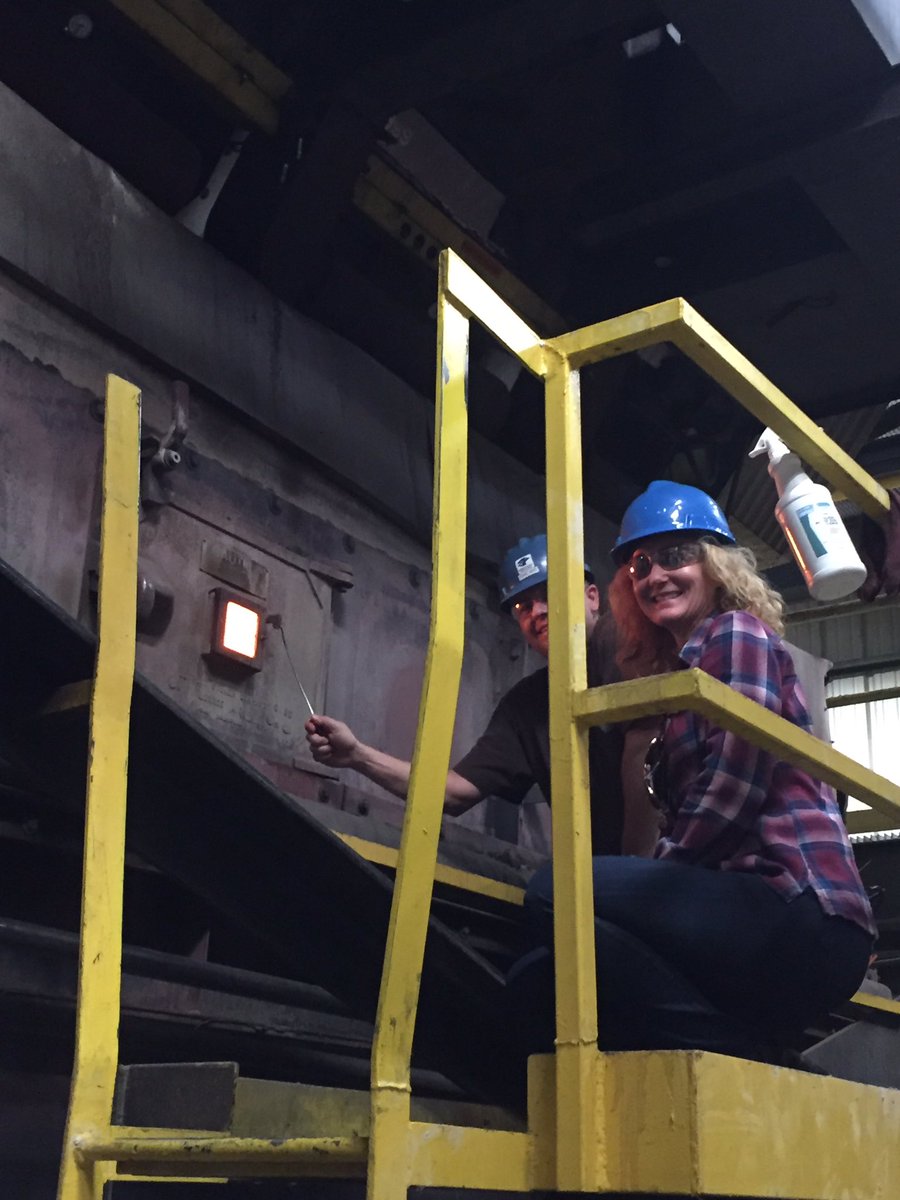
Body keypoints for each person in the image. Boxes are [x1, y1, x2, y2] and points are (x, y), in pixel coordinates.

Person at [519, 482, 875, 1058]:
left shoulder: (732, 634)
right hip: (757, 915)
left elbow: (734, 784)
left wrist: (661, 872)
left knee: (554, 891)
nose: (655, 574)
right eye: (640, 564)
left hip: (796, 906)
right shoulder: (683, 675)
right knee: (547, 967)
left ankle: (747, 1052)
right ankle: (751, 1050)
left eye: (676, 555)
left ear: (715, 565)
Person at [305, 534, 657, 856]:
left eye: (550, 592)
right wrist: (356, 755)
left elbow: (650, 751)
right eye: (522, 606)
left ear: (592, 597)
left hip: (672, 854)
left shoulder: (626, 639)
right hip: (606, 879)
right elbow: (454, 792)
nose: (537, 612)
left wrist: (636, 868)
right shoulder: (528, 706)